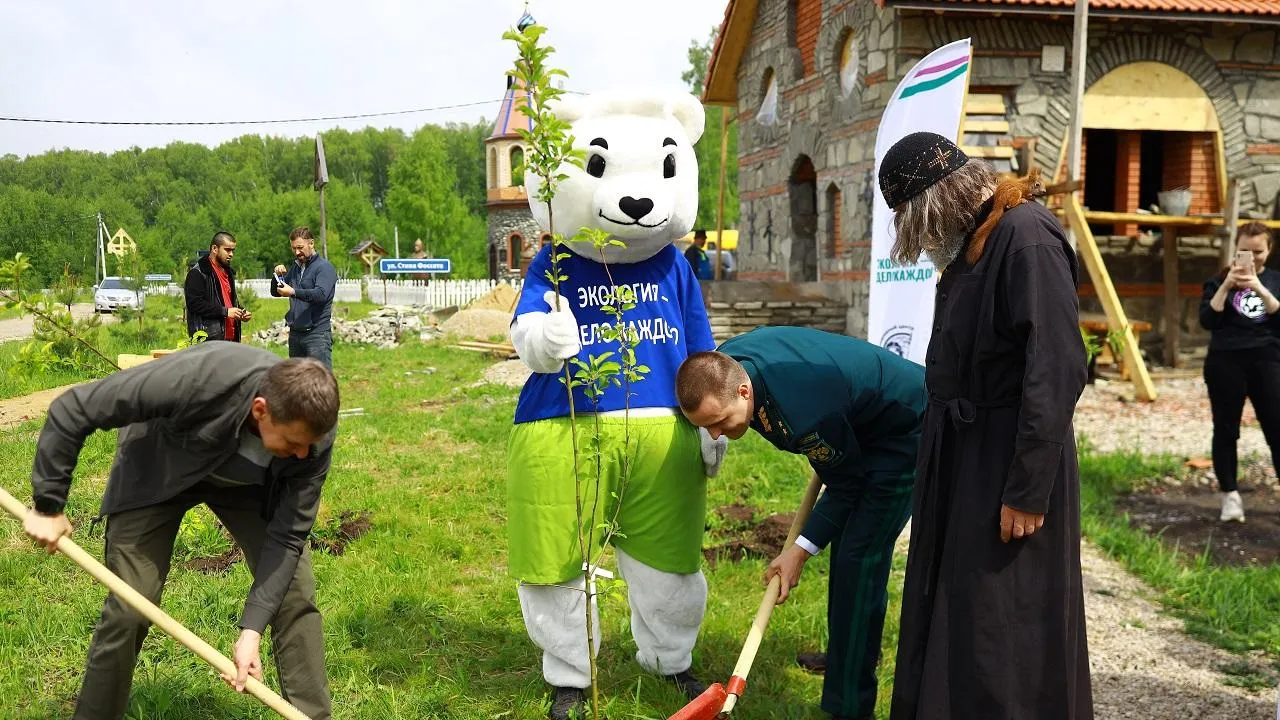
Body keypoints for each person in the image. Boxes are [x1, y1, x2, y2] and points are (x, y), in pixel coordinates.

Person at [877, 132, 1092, 719]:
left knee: (1005, 621)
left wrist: (1026, 489)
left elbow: (1056, 369)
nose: (917, 241)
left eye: (914, 222)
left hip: (1006, 461)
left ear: (937, 202)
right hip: (961, 456)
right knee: (960, 606)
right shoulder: (974, 240)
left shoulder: (1026, 239)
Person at [22, 342, 340, 720]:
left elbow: (288, 537)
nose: (304, 455)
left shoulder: (312, 434)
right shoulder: (201, 379)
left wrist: (251, 629)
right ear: (260, 410)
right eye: (292, 443)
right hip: (159, 470)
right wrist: (48, 504)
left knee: (293, 593)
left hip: (249, 489)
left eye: (309, 446)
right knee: (131, 605)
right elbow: (73, 408)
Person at [676, 326, 923, 720]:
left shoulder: (802, 412)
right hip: (852, 417)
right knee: (847, 553)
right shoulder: (728, 364)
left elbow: (847, 485)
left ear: (743, 392)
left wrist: (799, 552)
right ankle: (850, 652)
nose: (716, 434)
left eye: (720, 422)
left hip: (902, 426)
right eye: (705, 427)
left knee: (858, 559)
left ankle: (850, 707)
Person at [1198, 222, 1280, 522]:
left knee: (1276, 427)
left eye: (1258, 251)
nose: (1252, 257)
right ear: (1236, 250)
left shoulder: (1274, 280)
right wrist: (1227, 285)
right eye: (1245, 251)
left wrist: (1257, 285)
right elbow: (1207, 320)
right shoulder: (1218, 280)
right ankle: (1230, 496)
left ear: (1269, 251)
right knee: (1226, 429)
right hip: (1225, 362)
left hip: (1267, 360)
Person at [271, 227, 338, 368]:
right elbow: (276, 292)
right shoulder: (296, 268)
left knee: (320, 383)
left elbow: (321, 295)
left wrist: (294, 292)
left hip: (317, 335)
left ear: (311, 243)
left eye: (300, 247)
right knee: (298, 382)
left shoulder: (324, 267)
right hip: (296, 335)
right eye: (293, 248)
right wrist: (276, 276)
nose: (297, 252)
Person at [184, 230, 251, 341]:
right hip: (209, 340)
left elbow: (225, 301)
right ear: (214, 249)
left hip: (230, 338)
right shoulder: (198, 273)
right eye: (227, 250)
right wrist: (225, 312)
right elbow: (194, 304)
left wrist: (240, 312)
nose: (231, 254)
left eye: (233, 250)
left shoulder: (228, 272)